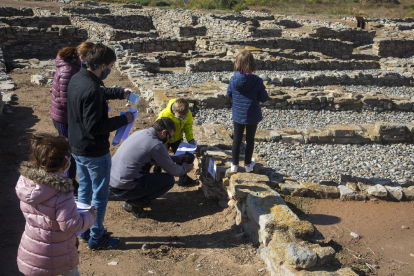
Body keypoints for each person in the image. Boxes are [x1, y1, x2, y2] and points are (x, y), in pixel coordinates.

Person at [67, 43, 135, 250]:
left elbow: (99, 92)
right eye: (111, 67)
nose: (110, 70)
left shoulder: (78, 78)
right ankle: (97, 236)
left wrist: (119, 92)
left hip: (77, 147)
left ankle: (84, 229)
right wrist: (125, 119)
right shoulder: (92, 89)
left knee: (85, 190)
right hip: (95, 151)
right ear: (102, 65)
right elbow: (96, 125)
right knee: (100, 195)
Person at [16, 133, 96, 276]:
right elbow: (70, 225)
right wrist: (89, 216)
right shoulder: (62, 192)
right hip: (56, 254)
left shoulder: (26, 182)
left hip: (30, 251)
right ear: (66, 163)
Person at [110, 118, 194, 218]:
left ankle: (135, 197)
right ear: (164, 132)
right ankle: (134, 202)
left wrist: (176, 158)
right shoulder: (156, 145)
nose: (168, 140)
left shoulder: (141, 133)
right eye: (169, 137)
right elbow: (174, 171)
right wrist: (185, 168)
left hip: (112, 183)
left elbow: (156, 156)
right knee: (168, 180)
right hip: (124, 188)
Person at [50, 41, 95, 200]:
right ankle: (68, 187)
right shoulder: (68, 71)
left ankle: (70, 184)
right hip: (64, 117)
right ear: (82, 56)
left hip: (66, 116)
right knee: (70, 151)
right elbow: (65, 101)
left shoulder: (73, 67)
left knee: (71, 150)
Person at [227, 50, 269, 173]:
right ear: (252, 64)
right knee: (250, 140)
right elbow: (264, 98)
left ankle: (234, 165)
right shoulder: (257, 81)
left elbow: (229, 94)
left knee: (237, 139)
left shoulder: (233, 79)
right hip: (252, 115)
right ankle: (247, 165)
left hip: (238, 114)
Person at [155, 97, 198, 186]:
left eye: (184, 117)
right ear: (174, 110)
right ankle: (156, 176)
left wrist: (190, 139)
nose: (182, 119)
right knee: (159, 158)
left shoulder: (187, 113)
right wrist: (164, 143)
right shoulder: (164, 114)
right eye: (180, 117)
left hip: (177, 139)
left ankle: (183, 180)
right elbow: (157, 129)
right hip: (164, 139)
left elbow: (188, 126)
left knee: (181, 158)